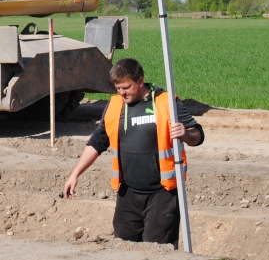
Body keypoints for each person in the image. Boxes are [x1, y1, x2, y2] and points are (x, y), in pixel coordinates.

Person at [62, 58, 203, 247]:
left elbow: (198, 135)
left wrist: (185, 134)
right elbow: (96, 143)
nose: (122, 93)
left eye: (126, 87)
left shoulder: (166, 103)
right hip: (127, 195)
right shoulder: (115, 106)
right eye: (118, 88)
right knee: (123, 251)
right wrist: (75, 174)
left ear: (140, 81)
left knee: (157, 254)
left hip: (162, 195)